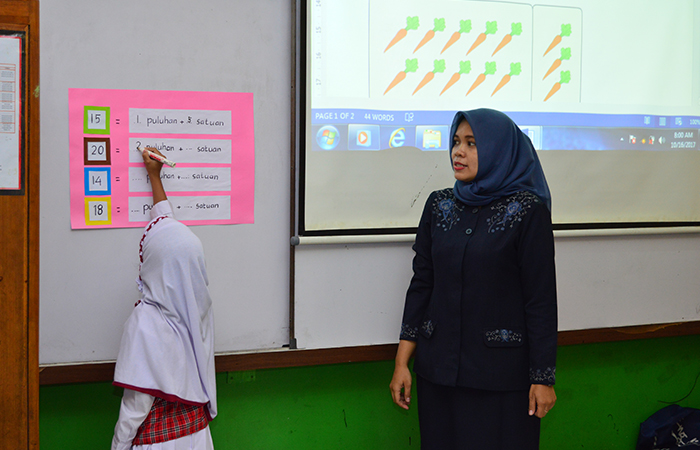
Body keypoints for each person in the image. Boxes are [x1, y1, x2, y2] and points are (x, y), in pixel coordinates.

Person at [389, 109, 557, 449]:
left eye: (471, 143)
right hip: (438, 373)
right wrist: (402, 361)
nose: (458, 152)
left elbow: (539, 300)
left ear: (499, 150)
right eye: (455, 142)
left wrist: (543, 378)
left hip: (501, 378)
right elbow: (422, 283)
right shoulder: (439, 205)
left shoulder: (528, 211)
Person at [111, 147, 217, 450]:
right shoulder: (198, 307)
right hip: (198, 437)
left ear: (154, 266)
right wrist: (155, 178)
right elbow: (175, 246)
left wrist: (118, 446)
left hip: (159, 443)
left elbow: (135, 408)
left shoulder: (146, 322)